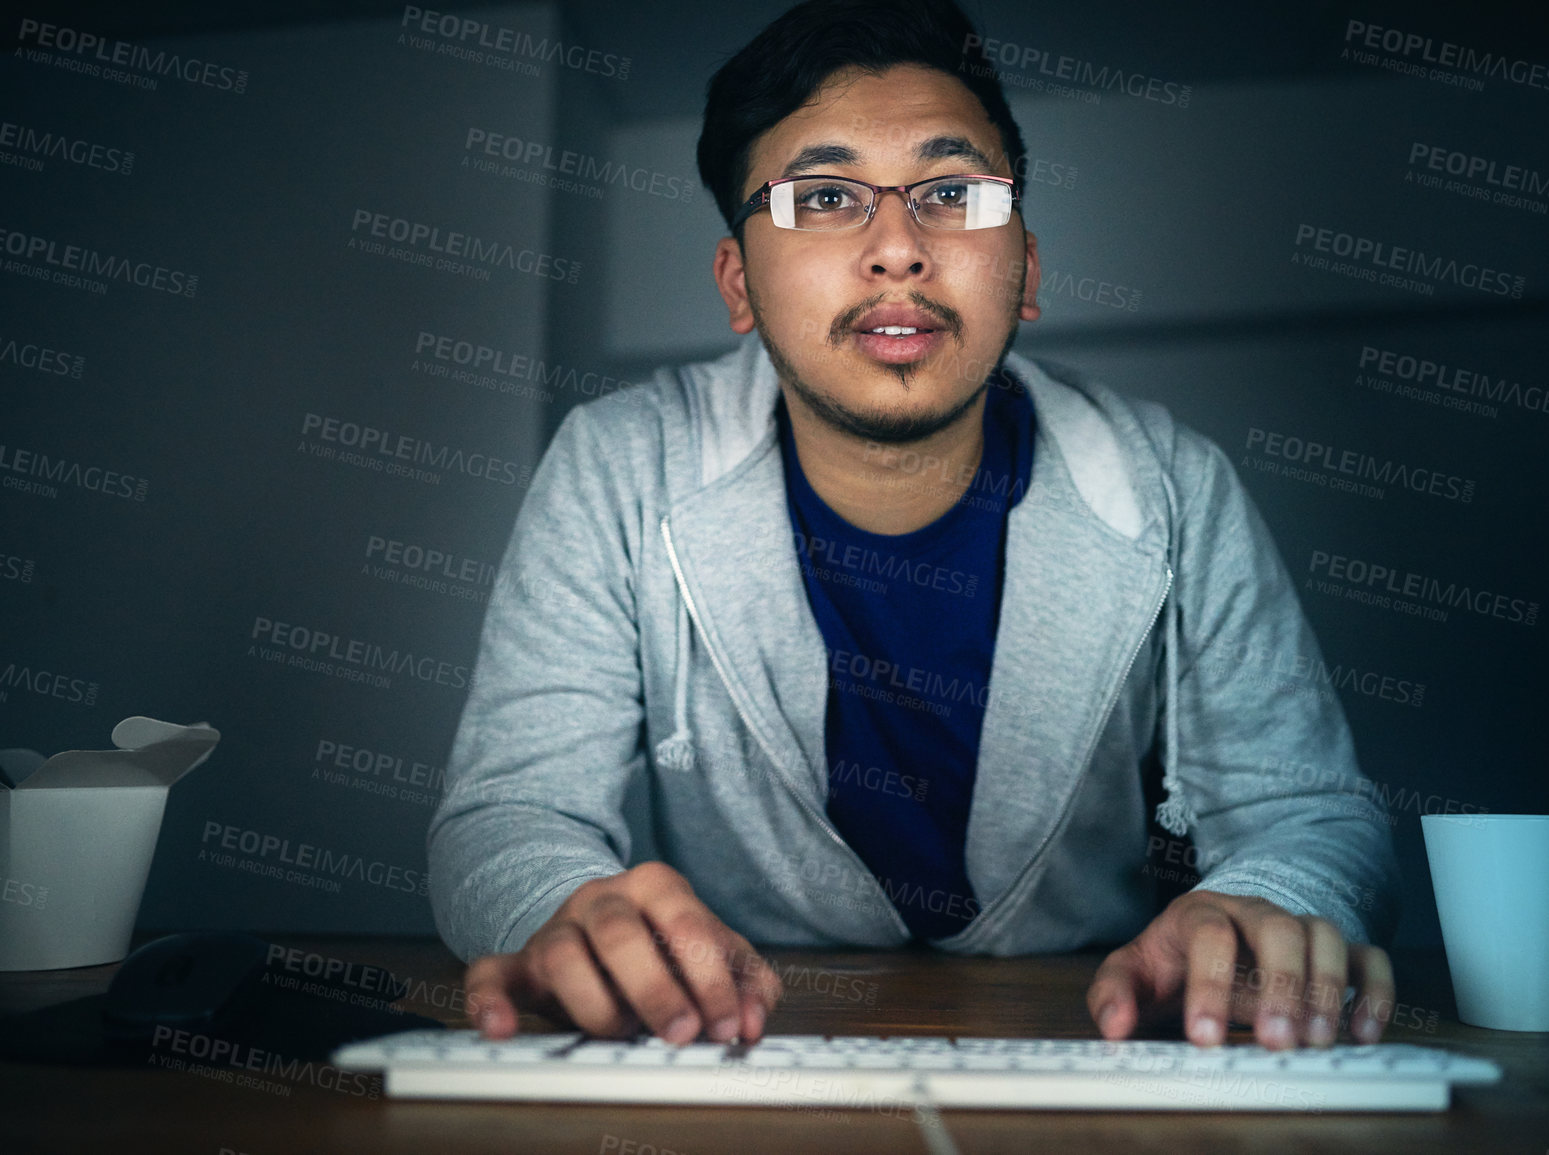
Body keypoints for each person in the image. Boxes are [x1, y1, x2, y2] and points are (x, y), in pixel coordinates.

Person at [428, 0, 1399, 1054]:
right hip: (738, 1048)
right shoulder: (618, 465)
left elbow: (1310, 814)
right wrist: (568, 908)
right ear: (737, 283)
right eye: (825, 196)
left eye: (953, 193)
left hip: (1091, 1046)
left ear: (1025, 267)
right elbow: (509, 815)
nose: (898, 248)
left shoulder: (1170, 480)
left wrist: (1265, 901)